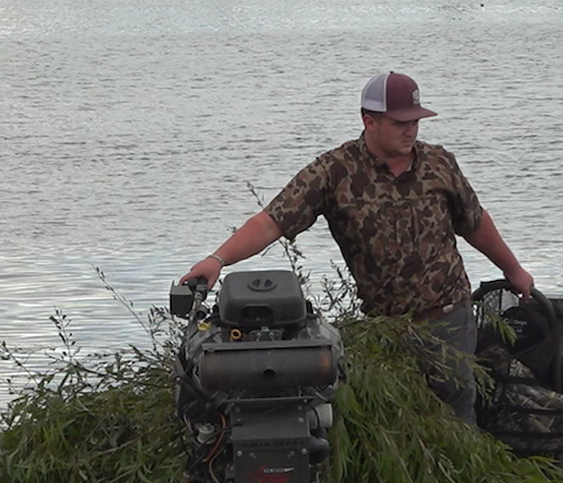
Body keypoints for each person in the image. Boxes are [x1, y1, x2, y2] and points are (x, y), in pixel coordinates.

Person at [180, 71, 534, 424]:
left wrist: (513, 271)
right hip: (385, 329)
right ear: (370, 121)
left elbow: (475, 223)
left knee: (457, 421)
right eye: (399, 123)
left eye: (415, 122)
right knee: (397, 425)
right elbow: (271, 221)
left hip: (447, 318)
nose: (410, 131)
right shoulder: (335, 171)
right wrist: (217, 259)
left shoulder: (439, 164)